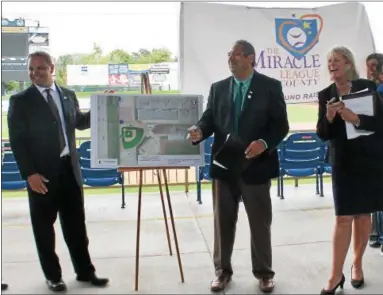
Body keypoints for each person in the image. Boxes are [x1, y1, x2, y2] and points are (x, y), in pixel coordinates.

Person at [187, 40, 289, 293]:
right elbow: (210, 119)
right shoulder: (218, 88)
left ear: (251, 58)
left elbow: (280, 126)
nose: (231, 58)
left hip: (256, 166)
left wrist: (264, 143)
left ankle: (264, 273)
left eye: (236, 54)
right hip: (224, 167)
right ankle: (222, 272)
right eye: (229, 54)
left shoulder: (270, 87)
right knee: (222, 224)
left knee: (260, 223)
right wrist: (199, 130)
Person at [7, 51, 109, 292]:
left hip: (69, 172)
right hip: (41, 176)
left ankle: (85, 272)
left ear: (52, 68)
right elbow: (18, 141)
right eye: (31, 69)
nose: (35, 73)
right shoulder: (20, 101)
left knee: (76, 227)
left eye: (40, 68)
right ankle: (53, 276)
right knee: (44, 230)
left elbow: (80, 122)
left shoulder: (68, 95)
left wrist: (102, 106)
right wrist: (29, 174)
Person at [316, 46, 383, 294]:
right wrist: (330, 117)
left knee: (363, 216)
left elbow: (380, 122)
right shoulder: (326, 94)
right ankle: (335, 276)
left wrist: (355, 119)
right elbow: (322, 133)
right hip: (343, 162)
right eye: (329, 61)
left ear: (347, 64)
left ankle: (357, 264)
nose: (332, 64)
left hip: (368, 161)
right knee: (343, 217)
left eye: (337, 60)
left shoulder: (367, 87)